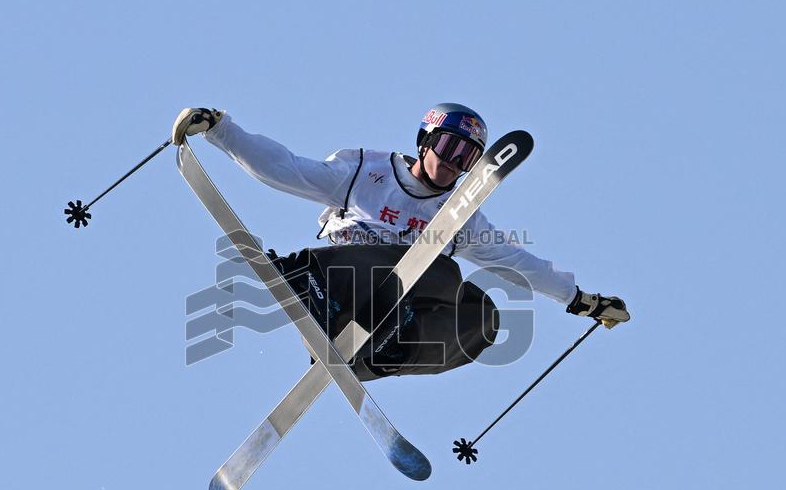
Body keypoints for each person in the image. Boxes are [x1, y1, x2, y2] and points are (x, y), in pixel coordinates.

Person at [172, 103, 629, 380]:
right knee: (434, 264)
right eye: (448, 149)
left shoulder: (461, 216)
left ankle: (383, 353)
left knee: (483, 317)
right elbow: (284, 168)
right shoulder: (365, 172)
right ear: (425, 142)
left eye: (466, 159)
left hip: (386, 316)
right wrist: (220, 128)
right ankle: (302, 282)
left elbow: (517, 262)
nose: (453, 164)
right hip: (337, 284)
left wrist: (579, 299)